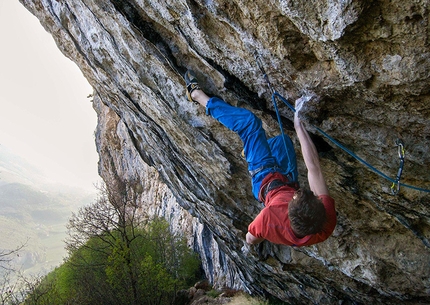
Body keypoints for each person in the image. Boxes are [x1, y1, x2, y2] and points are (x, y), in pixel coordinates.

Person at [184, 70, 336, 247]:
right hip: (288, 178)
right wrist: (298, 125)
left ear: (287, 211)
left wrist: (255, 239)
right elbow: (313, 168)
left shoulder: (269, 218)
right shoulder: (325, 220)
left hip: (265, 180)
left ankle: (198, 96)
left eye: (296, 198)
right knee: (283, 142)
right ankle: (252, 149)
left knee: (250, 124)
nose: (303, 193)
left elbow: (250, 238)